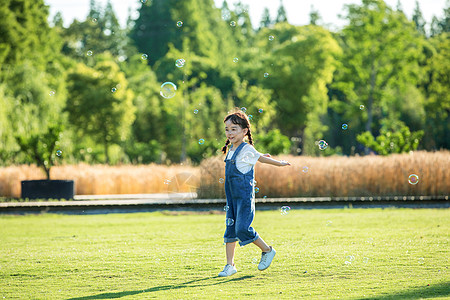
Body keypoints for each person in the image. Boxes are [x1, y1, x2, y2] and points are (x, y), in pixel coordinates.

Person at [218, 109, 291, 277]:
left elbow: (259, 158)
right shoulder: (231, 150)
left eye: (234, 129)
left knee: (242, 228)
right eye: (227, 129)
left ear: (244, 131)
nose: (229, 132)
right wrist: (258, 155)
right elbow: (255, 157)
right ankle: (230, 265)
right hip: (232, 198)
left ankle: (267, 250)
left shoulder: (247, 148)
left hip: (243, 199)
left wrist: (279, 163)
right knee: (230, 230)